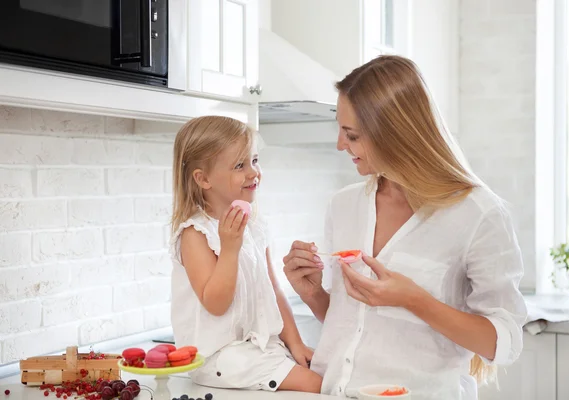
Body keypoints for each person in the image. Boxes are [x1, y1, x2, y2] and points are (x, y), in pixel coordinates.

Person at [283, 55, 528, 400]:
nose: (340, 145)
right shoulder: (343, 205)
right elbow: (353, 327)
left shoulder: (478, 214)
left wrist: (415, 300)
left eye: (351, 135)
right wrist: (313, 295)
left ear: (394, 134)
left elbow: (505, 343)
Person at [169, 116, 322, 393]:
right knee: (317, 385)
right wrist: (229, 249)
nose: (253, 172)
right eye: (240, 165)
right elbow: (215, 303)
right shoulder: (195, 234)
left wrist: (295, 343)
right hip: (217, 357)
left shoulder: (253, 226)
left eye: (254, 160)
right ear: (203, 179)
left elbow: (273, 290)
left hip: (258, 347)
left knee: (329, 373)